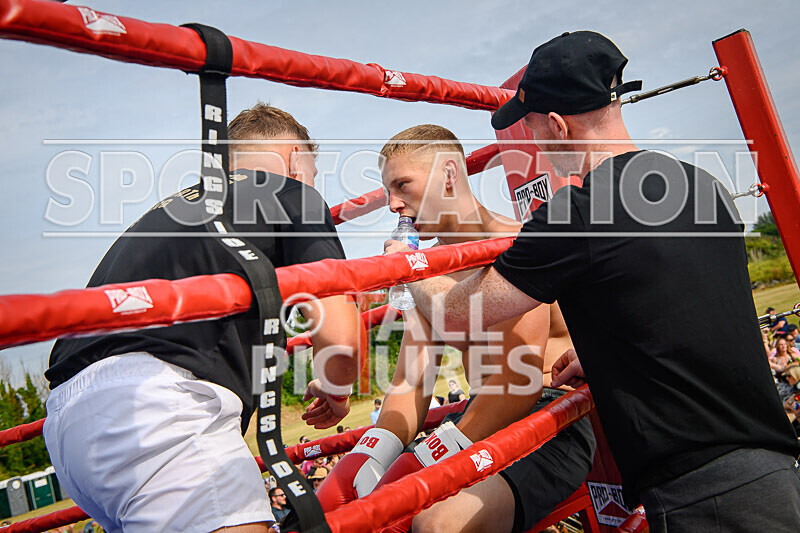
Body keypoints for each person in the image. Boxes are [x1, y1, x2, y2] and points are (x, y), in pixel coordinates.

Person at [386, 31, 800, 532]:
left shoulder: (577, 214)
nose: (535, 142)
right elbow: (690, 306)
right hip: (771, 462)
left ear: (557, 125)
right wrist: (607, 351)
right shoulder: (702, 184)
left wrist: (402, 265)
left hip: (699, 487)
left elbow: (458, 312)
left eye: (533, 127)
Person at [42, 104, 362, 533]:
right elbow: (340, 335)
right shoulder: (290, 193)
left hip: (68, 428)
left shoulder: (167, 213)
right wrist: (337, 388)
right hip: (160, 410)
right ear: (295, 161)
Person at [318, 124, 595, 533]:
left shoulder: (515, 242)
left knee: (436, 523)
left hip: (549, 420)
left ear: (448, 174)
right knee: (341, 513)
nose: (393, 204)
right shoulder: (425, 268)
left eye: (402, 184)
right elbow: (412, 381)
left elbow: (516, 383)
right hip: (475, 420)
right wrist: (373, 452)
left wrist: (430, 460)